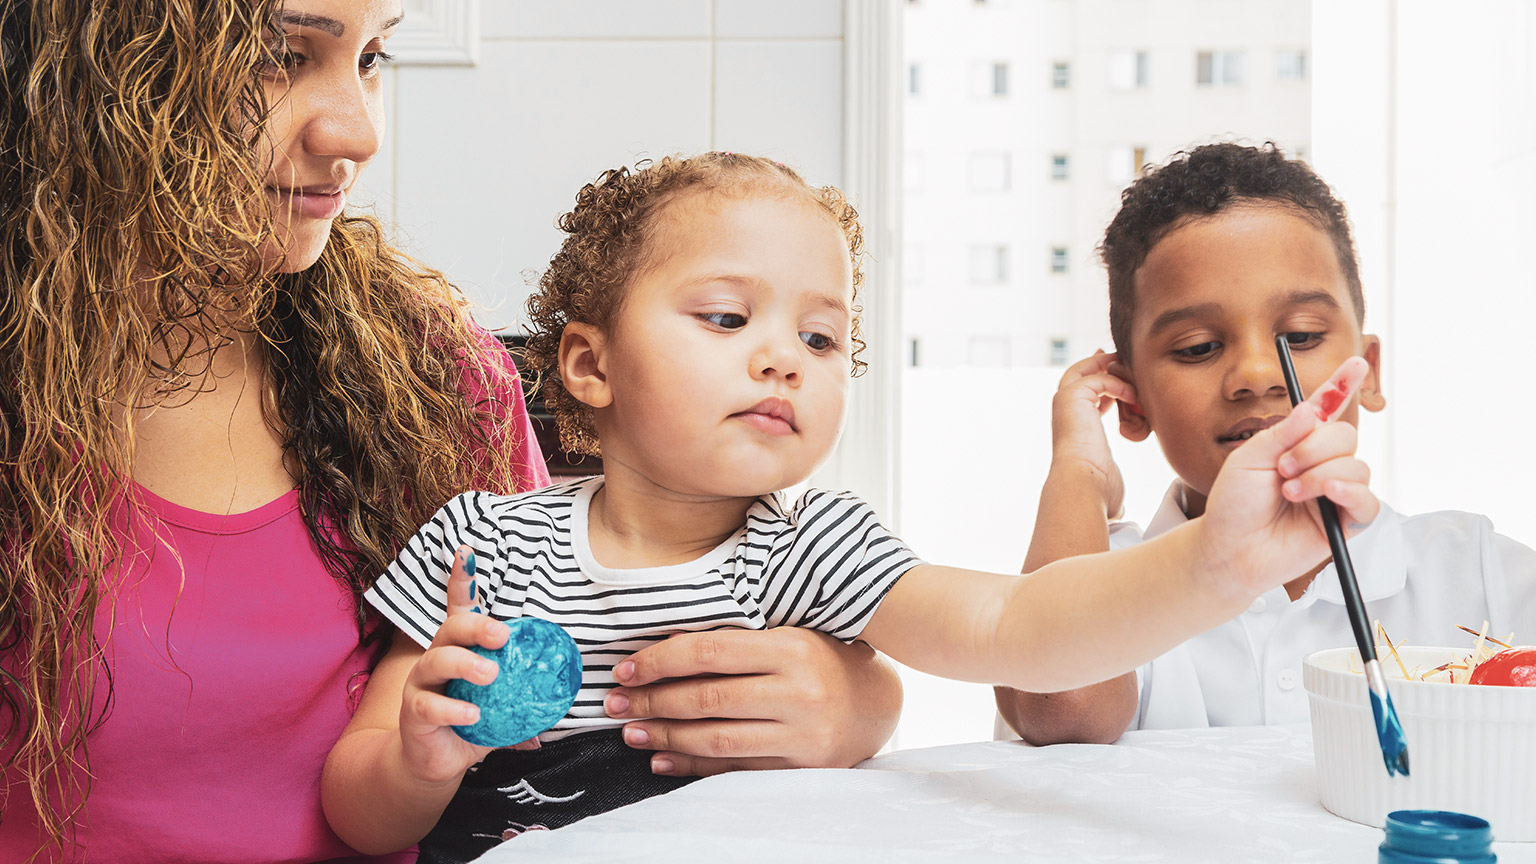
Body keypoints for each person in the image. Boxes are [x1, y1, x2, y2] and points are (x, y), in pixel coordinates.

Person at [0, 3, 908, 860]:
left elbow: (561, 692)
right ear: (96, 70)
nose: (355, 131)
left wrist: (858, 700)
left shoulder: (432, 373)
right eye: (284, 56)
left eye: (371, 58)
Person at [322, 151, 1379, 863]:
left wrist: (1217, 563)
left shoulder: (817, 548)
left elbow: (1019, 629)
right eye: (729, 317)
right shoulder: (481, 545)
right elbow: (357, 814)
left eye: (822, 339)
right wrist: (420, 756)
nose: (784, 356)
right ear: (590, 365)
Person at [995, 142, 1536, 745]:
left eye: (1301, 335)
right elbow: (1063, 708)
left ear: (1369, 370)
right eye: (1199, 346)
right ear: (1132, 400)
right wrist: (1077, 472)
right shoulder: (1102, 578)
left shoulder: (1473, 572)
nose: (1257, 372)